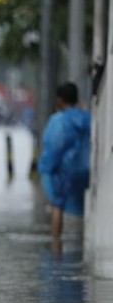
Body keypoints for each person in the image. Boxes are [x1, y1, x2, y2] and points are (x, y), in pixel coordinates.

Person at [38, 82, 91, 243]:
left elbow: (54, 147)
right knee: (86, 206)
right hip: (87, 170)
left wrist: (45, 168)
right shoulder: (87, 118)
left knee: (57, 204)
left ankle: (56, 245)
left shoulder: (58, 121)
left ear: (60, 99)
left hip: (65, 170)